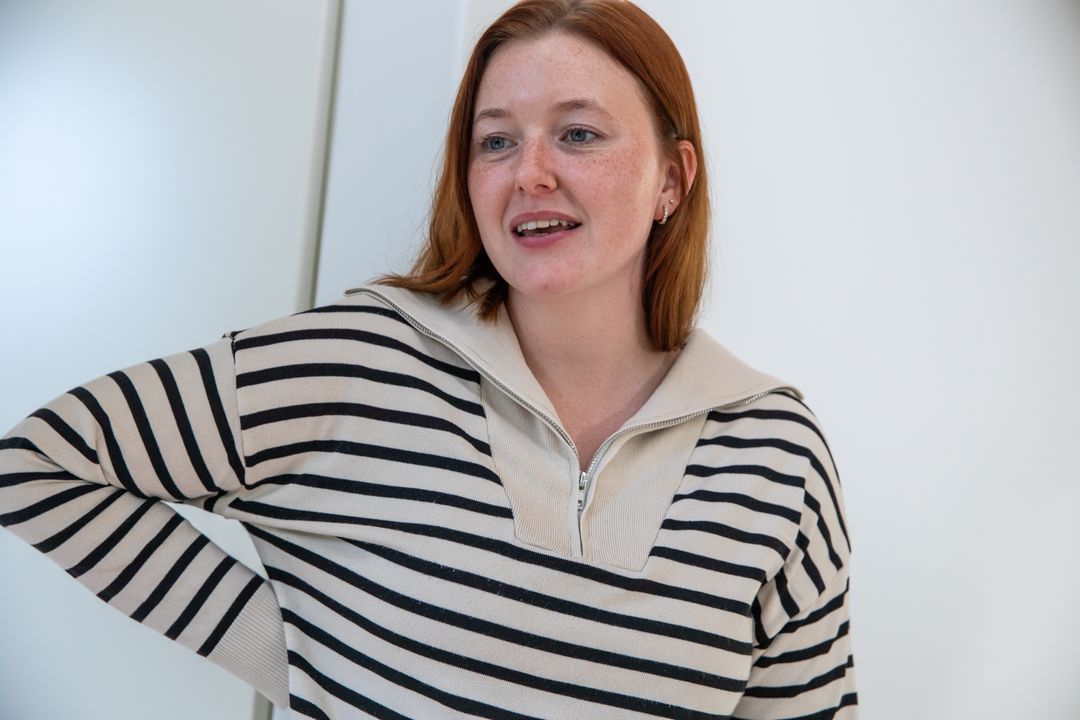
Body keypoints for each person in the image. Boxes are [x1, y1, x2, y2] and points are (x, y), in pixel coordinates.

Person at [0, 0, 857, 717]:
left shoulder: (776, 451)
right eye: (496, 141)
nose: (530, 174)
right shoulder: (360, 360)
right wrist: (299, 658)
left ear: (673, 178)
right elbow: (37, 467)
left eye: (580, 134)